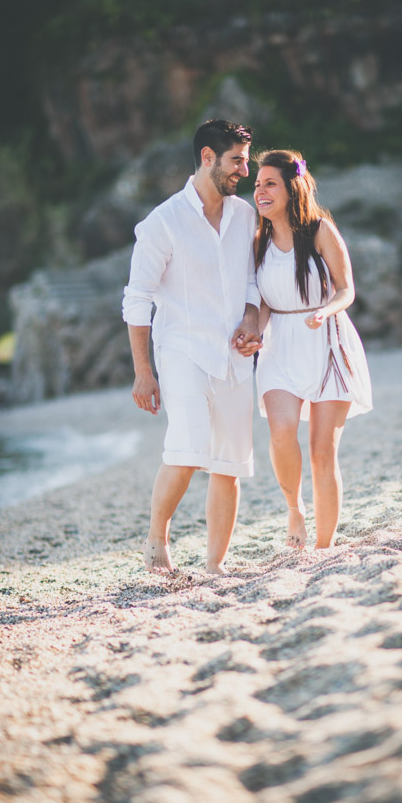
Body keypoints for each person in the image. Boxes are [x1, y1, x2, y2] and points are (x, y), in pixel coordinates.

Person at [122, 119, 262, 575]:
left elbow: (251, 279)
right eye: (237, 160)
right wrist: (144, 371)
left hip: (236, 355)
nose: (245, 169)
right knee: (187, 449)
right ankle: (156, 536)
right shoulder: (162, 222)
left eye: (246, 159)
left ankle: (214, 564)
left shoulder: (245, 215)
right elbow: (138, 298)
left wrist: (249, 315)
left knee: (229, 463)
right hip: (181, 351)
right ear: (208, 157)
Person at [248, 149, 372, 550]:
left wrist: (325, 311)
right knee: (281, 431)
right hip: (279, 344)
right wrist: (254, 332)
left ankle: (324, 546)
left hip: (327, 341)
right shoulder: (258, 241)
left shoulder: (320, 230)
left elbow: (346, 288)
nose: (261, 192)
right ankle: (294, 509)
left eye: (270, 184)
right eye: (257, 185)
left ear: (291, 187)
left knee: (322, 451)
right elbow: (264, 300)